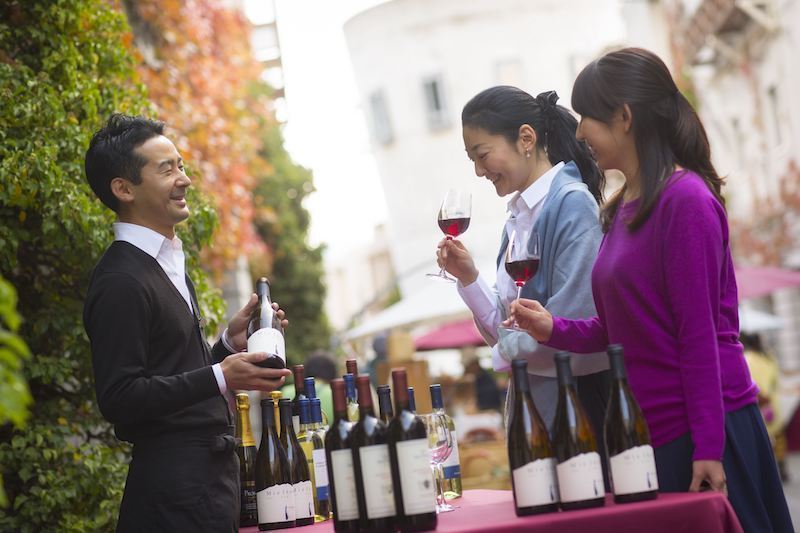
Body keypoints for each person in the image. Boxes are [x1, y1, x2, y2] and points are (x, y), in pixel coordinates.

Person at [508, 48, 793, 532]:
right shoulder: (621, 208)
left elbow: (698, 335)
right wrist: (552, 327)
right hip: (649, 430)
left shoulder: (685, 201)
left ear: (624, 117)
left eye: (588, 119)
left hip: (705, 427)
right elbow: (620, 330)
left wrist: (708, 448)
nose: (578, 134)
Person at [83, 114, 292, 532]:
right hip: (172, 500)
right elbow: (120, 396)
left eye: (180, 165)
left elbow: (174, 375)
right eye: (166, 170)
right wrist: (220, 375)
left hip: (208, 488)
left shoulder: (167, 262)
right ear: (123, 189)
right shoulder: (120, 280)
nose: (184, 179)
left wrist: (227, 349)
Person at [437, 86, 610, 435]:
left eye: (481, 154)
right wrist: (469, 278)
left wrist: (501, 353)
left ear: (526, 138)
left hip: (576, 414)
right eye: (471, 159)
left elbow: (571, 319)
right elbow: (512, 322)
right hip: (541, 411)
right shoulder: (519, 215)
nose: (478, 171)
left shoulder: (571, 204)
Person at [740, 332, 789, 481]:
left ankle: (767, 471)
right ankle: (782, 466)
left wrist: (761, 395)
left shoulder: (746, 358)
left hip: (757, 401)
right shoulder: (769, 358)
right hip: (772, 402)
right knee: (778, 436)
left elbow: (747, 380)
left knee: (761, 438)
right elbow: (775, 379)